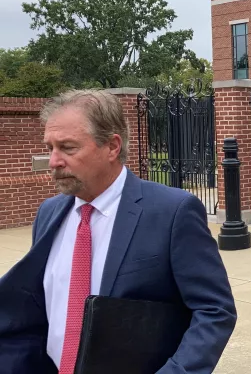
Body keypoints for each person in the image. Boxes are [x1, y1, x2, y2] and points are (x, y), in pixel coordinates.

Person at [0, 90, 237, 373]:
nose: (53, 161)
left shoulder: (173, 212)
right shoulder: (49, 213)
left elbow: (214, 311)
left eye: (68, 147)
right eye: (50, 147)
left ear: (112, 146)